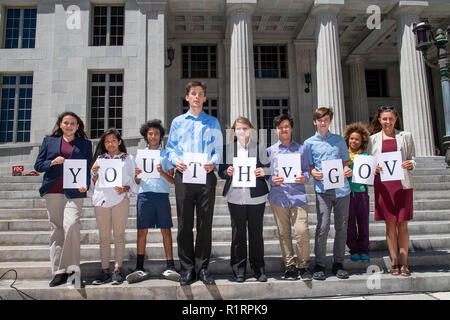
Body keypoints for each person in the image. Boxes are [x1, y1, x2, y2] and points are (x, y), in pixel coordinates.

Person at [166, 81, 223, 285]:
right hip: (184, 176)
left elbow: (219, 151)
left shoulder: (213, 122)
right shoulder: (178, 122)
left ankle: (203, 268)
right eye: (193, 93)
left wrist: (213, 162)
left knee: (204, 224)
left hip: (206, 177)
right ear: (187, 97)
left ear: (205, 98)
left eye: (200, 94)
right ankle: (188, 269)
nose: (197, 97)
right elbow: (170, 148)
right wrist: (176, 161)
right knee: (184, 224)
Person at [34, 111, 92, 287]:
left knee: (72, 225)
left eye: (72, 123)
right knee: (57, 229)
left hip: (75, 191)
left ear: (77, 126)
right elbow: (38, 165)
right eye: (66, 123)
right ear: (60, 124)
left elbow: (88, 167)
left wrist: (86, 184)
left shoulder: (85, 144)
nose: (69, 126)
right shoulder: (49, 142)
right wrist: (52, 162)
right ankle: (59, 271)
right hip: (54, 189)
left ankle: (73, 270)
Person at [126, 120, 181, 284]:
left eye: (156, 133)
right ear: (146, 136)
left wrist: (162, 172)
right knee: (142, 231)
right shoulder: (139, 155)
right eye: (150, 133)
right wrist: (136, 175)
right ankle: (139, 266)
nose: (153, 136)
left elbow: (172, 180)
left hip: (162, 195)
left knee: (166, 230)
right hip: (145, 195)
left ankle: (170, 265)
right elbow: (136, 181)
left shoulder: (166, 155)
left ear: (160, 136)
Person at [218, 117, 269, 283]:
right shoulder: (227, 149)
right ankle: (239, 269)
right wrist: (228, 172)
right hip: (235, 196)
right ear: (234, 131)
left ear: (251, 130)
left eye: (245, 128)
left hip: (256, 196)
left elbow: (269, 169)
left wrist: (263, 171)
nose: (242, 131)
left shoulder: (260, 148)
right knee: (238, 233)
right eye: (238, 128)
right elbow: (221, 172)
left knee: (256, 234)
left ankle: (258, 268)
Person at [304, 107, 352, 281]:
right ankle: (320, 264)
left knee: (342, 227)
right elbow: (308, 166)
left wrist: (347, 169)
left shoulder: (339, 140)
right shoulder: (309, 143)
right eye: (319, 119)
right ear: (314, 121)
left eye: (326, 119)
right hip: (323, 190)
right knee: (322, 227)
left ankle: (338, 263)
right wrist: (312, 172)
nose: (323, 122)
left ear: (330, 121)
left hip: (342, 190)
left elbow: (346, 161)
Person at [367, 106, 416, 277]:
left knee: (402, 224)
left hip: (402, 185)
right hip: (384, 186)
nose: (387, 122)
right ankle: (394, 262)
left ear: (396, 119)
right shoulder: (373, 139)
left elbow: (412, 158)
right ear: (379, 120)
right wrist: (375, 168)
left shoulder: (405, 136)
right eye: (384, 119)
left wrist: (410, 164)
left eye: (390, 119)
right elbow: (369, 162)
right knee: (390, 224)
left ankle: (404, 262)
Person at [267, 114, 312, 281]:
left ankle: (304, 265)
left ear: (291, 128)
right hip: (278, 196)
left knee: (302, 231)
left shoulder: (301, 149)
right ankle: (290, 266)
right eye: (280, 127)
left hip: (298, 196)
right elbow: (266, 174)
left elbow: (307, 171)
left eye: (286, 126)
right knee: (284, 233)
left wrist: (304, 178)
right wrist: (273, 179)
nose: (284, 129)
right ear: (276, 130)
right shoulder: (270, 151)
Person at [89, 128, 137, 285]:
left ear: (120, 142)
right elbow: (94, 183)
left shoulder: (127, 158)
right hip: (102, 201)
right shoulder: (100, 159)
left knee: (119, 235)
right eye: (107, 141)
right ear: (104, 143)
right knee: (104, 237)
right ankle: (104, 270)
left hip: (120, 200)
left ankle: (117, 269)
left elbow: (133, 182)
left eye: (113, 141)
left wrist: (125, 188)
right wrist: (94, 174)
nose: (110, 144)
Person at [343, 123, 371, 263]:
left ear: (362, 142)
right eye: (352, 138)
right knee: (350, 224)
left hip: (362, 193)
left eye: (357, 139)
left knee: (363, 223)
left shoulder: (366, 156)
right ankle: (353, 249)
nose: (354, 141)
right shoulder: (343, 157)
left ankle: (364, 250)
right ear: (348, 139)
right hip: (348, 193)